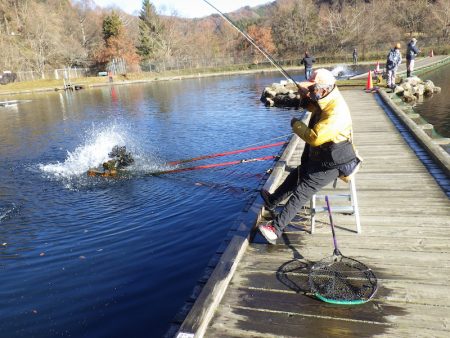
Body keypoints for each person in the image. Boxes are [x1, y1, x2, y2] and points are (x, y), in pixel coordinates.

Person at [258, 69, 360, 244]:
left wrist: (296, 125)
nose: (311, 92)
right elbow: (313, 106)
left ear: (324, 89)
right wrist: (304, 95)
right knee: (297, 173)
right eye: (310, 88)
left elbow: (315, 137)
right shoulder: (326, 97)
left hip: (337, 161)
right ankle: (272, 201)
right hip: (325, 155)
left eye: (313, 89)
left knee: (303, 190)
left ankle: (276, 228)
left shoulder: (337, 111)